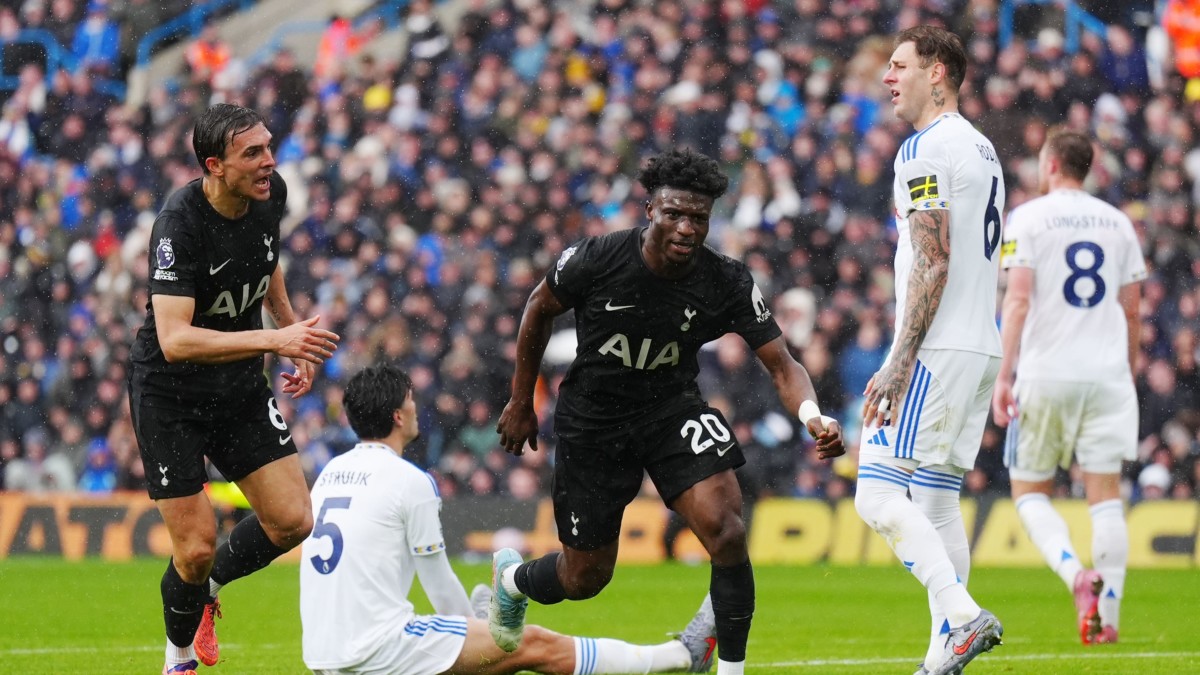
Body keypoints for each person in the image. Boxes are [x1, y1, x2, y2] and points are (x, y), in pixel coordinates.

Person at [492, 148, 844, 675]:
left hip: (669, 409)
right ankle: (510, 582)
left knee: (726, 530)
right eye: (674, 213)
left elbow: (782, 363)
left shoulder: (725, 280)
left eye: (698, 218)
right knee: (584, 579)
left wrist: (812, 415)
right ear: (649, 208)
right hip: (594, 418)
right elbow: (538, 308)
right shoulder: (599, 257)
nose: (686, 227)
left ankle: (731, 669)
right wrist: (521, 401)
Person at [299, 362, 718, 675]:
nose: (415, 406)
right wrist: (481, 632)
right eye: (410, 399)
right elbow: (438, 581)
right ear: (397, 415)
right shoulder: (409, 480)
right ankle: (682, 656)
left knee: (498, 646)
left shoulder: (328, 475)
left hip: (323, 653)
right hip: (374, 650)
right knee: (528, 643)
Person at [128, 103, 341, 675]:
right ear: (215, 165)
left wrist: (291, 329)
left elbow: (266, 261)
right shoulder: (179, 223)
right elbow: (174, 339)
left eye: (269, 147)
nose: (270, 160)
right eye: (254, 153)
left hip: (239, 385)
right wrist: (275, 342)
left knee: (295, 519)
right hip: (170, 393)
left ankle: (208, 595)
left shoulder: (269, 196)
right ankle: (177, 661)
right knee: (193, 547)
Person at [854, 26, 1006, 675]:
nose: (888, 78)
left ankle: (963, 614)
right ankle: (942, 660)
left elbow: (933, 259)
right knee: (938, 502)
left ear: (937, 71)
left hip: (936, 347)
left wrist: (899, 357)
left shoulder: (923, 148)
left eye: (899, 66)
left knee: (876, 496)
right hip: (981, 345)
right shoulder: (983, 147)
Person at [991, 128, 1145, 646]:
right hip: (1108, 377)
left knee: (1029, 491)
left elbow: (1017, 302)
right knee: (1105, 498)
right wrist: (1126, 369)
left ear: (1052, 164)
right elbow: (1131, 310)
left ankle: (1074, 573)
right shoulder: (1119, 224)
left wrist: (1004, 373)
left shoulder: (1029, 217)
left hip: (1046, 373)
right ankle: (1111, 619)